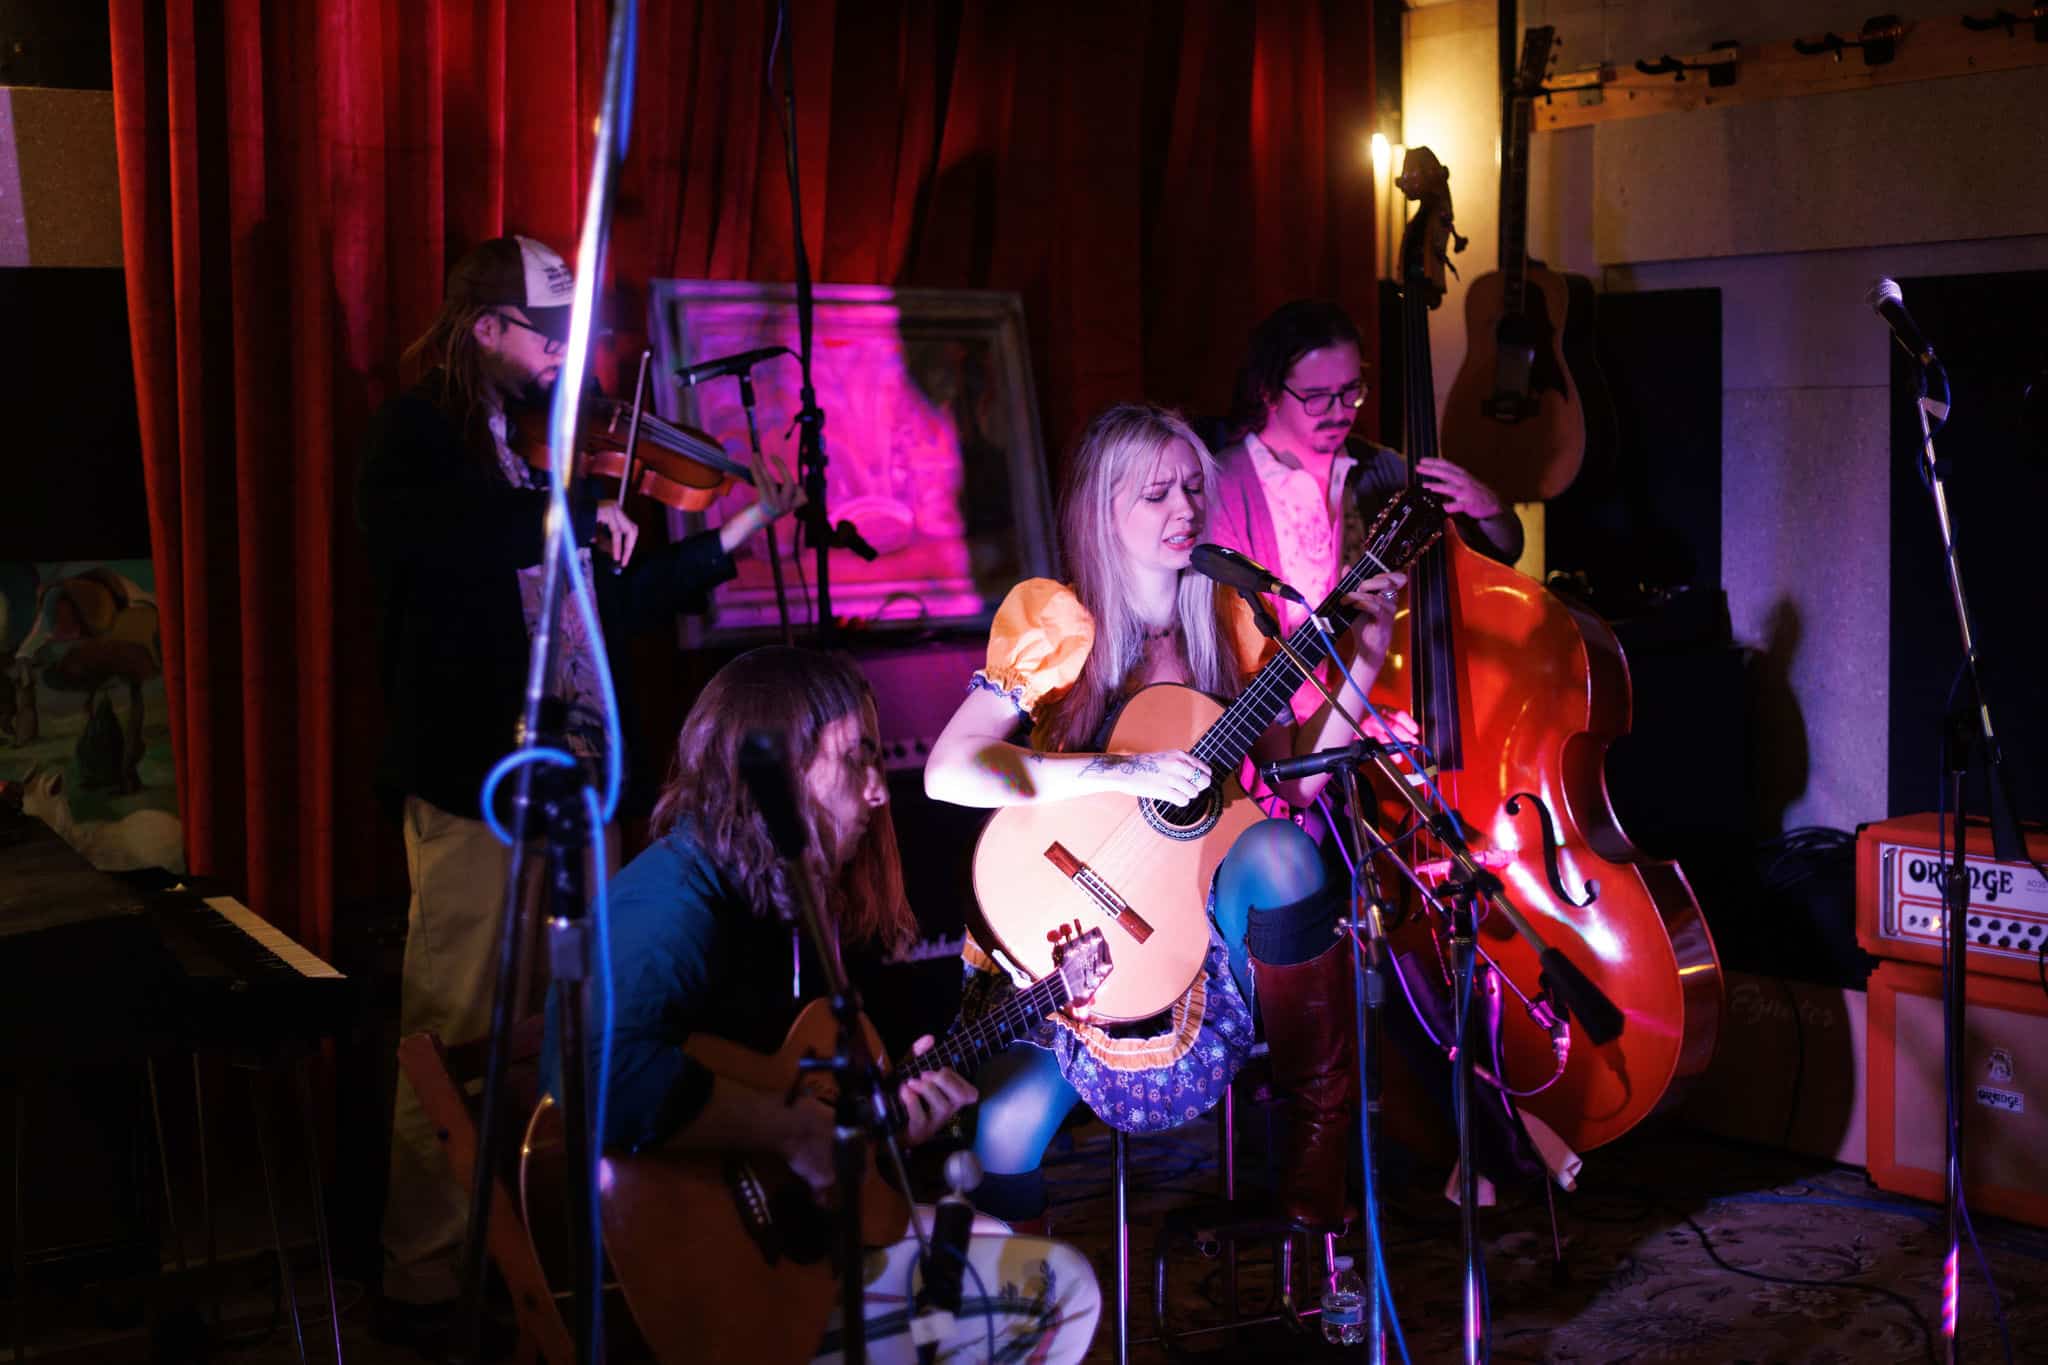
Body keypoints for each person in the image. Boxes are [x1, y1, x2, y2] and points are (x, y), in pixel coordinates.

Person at [357, 234, 797, 1333]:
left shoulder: (547, 455)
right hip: (477, 781)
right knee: (456, 1027)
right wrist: (561, 513)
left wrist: (730, 536)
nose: (567, 353)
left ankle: (558, 1256)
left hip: (583, 783)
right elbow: (421, 544)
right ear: (483, 329)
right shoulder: (420, 437)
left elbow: (611, 609)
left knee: (583, 1029)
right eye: (545, 333)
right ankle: (423, 1278)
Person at [922, 402, 1408, 1236]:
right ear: (1102, 509)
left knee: (1283, 850)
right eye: (1156, 494)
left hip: (1191, 936)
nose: (1184, 508)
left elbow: (1293, 783)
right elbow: (949, 769)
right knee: (1002, 1129)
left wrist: (1365, 652)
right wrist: (1125, 769)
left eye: (1192, 488)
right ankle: (1021, 1303)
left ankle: (1317, 1165)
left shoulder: (1226, 619)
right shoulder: (1057, 622)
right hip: (1070, 938)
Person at [550, 645, 1102, 1363]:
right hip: (687, 1282)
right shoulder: (674, 899)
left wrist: (881, 1126)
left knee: (1004, 1251)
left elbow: (787, 1103)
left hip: (776, 1253)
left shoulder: (777, 899)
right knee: (1053, 1293)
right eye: (855, 760)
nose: (878, 793)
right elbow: (591, 1076)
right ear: (776, 770)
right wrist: (793, 1131)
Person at [1208, 298, 1546, 1197]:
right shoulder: (1225, 484)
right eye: (1318, 396)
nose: (1340, 411)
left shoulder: (1383, 472)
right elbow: (1226, 642)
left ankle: (1484, 1130)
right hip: (1275, 745)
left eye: (1353, 391)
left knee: (1442, 917)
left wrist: (1491, 510)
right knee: (1358, 928)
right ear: (1268, 390)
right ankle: (1368, 1153)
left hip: (1379, 729)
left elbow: (1499, 552)